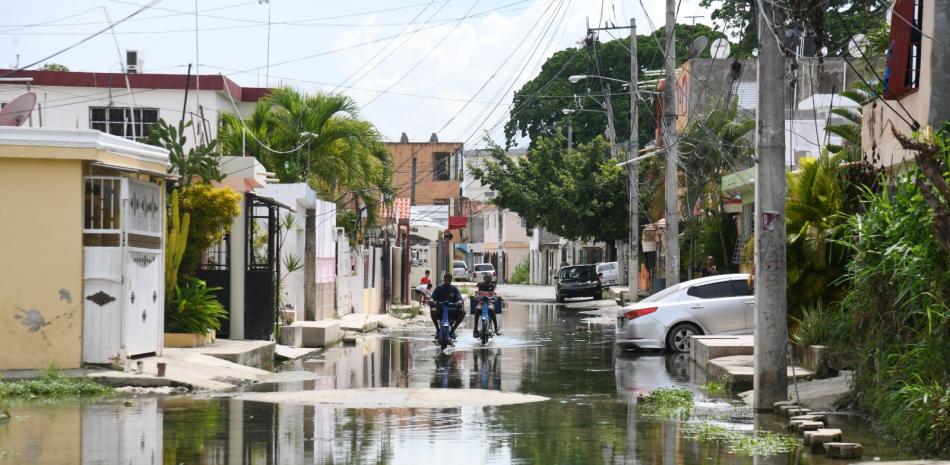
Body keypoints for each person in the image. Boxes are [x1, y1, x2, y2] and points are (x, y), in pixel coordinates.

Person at [429, 273, 465, 339]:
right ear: (444, 279)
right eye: (446, 278)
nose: (448, 280)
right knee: (433, 311)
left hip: (451, 310)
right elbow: (432, 298)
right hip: (440, 310)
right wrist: (431, 300)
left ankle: (452, 331)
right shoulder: (439, 288)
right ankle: (438, 330)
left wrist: (459, 302)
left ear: (451, 280)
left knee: (463, 312)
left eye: (449, 279)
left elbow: (459, 299)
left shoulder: (454, 289)